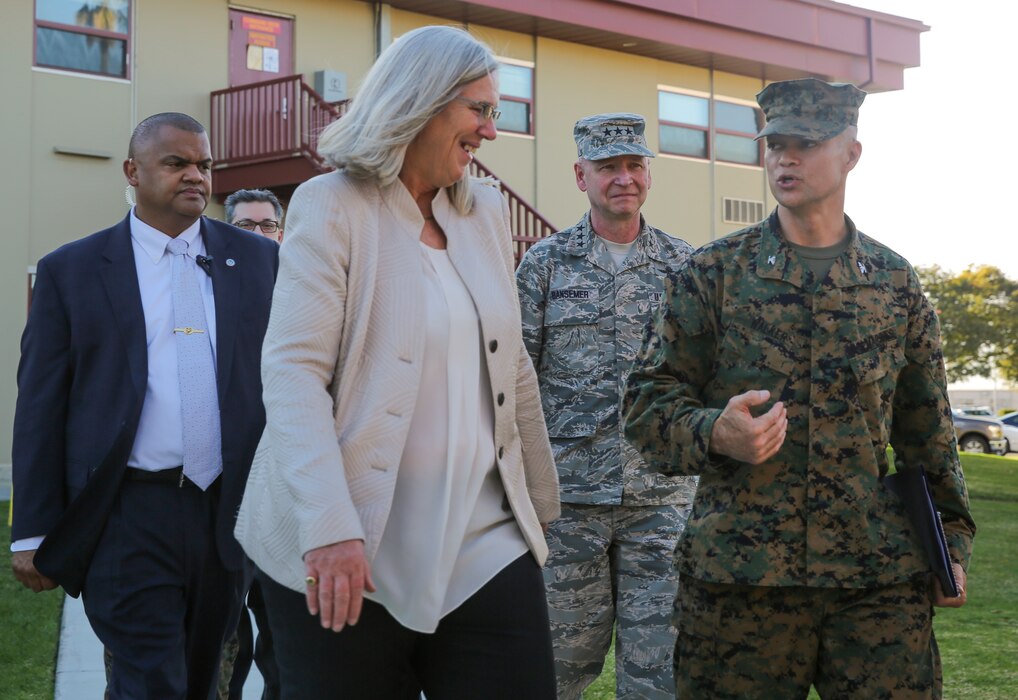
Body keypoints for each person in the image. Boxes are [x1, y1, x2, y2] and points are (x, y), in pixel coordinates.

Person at [234, 25, 560, 699]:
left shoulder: (485, 210)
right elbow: (294, 374)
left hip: (483, 539)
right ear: (423, 102)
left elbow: (512, 363)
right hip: (351, 547)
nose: (490, 131)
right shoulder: (331, 206)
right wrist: (329, 527)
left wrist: (538, 501)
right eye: (479, 110)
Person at [622, 78, 976, 698]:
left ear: (852, 154)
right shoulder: (713, 274)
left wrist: (950, 546)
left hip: (875, 587)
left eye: (806, 143)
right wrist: (715, 432)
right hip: (741, 585)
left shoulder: (894, 283)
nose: (785, 158)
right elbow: (646, 407)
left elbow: (928, 433)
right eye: (775, 144)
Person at [10, 112, 279, 699]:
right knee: (148, 679)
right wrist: (31, 527)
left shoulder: (259, 262)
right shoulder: (72, 271)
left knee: (205, 678)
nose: (195, 176)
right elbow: (40, 405)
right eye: (176, 163)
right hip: (126, 512)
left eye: (203, 165)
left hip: (227, 515)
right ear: (133, 171)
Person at [515, 113, 697, 699]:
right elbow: (515, 378)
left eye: (634, 165)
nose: (623, 178)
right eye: (608, 167)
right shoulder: (545, 265)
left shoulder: (684, 266)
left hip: (663, 503)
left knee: (659, 672)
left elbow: (705, 379)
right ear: (580, 175)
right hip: (568, 502)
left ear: (648, 173)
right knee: (558, 666)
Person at [218, 188, 286, 700]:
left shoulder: (308, 294)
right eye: (245, 226)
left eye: (266, 225)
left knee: (286, 654)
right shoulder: (206, 292)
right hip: (220, 498)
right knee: (223, 647)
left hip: (285, 499)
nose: (258, 235)